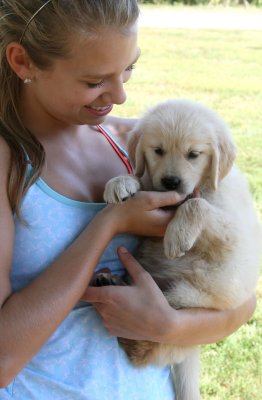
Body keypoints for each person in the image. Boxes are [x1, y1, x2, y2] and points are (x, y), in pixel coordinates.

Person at [0, 1, 256, 399]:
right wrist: (110, 223)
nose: (120, 95)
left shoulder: (137, 144)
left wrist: (168, 327)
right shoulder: (8, 162)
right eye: (94, 81)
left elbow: (241, 299)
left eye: (128, 69)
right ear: (22, 61)